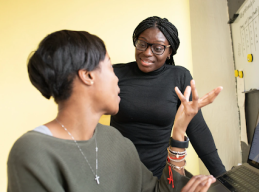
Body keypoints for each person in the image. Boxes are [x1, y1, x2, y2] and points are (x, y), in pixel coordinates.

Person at [7, 30, 222, 191]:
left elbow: (159, 190)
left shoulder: (115, 140)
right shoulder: (33, 151)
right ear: (88, 76)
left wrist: (179, 130)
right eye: (110, 68)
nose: (118, 80)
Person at [111, 16, 226, 178]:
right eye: (142, 44)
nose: (146, 52)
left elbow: (197, 128)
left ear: (169, 52)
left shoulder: (179, 76)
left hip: (158, 175)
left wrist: (222, 176)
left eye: (157, 48)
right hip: (116, 174)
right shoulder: (116, 73)